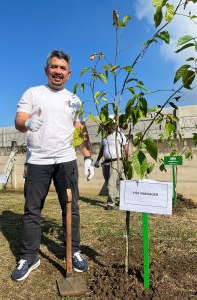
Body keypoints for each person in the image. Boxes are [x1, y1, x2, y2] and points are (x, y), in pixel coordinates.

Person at [11, 50, 94, 281]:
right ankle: (29, 256)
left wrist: (87, 157)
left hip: (66, 161)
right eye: (54, 67)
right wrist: (27, 122)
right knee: (32, 209)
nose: (58, 71)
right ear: (46, 70)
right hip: (37, 161)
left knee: (71, 209)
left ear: (69, 74)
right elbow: (18, 121)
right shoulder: (33, 93)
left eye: (62, 68)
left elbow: (80, 130)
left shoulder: (74, 99)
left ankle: (73, 251)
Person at [94, 118, 129, 210]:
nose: (112, 126)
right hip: (105, 163)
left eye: (114, 124)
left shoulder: (119, 135)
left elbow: (125, 145)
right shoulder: (104, 136)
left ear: (116, 125)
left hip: (116, 161)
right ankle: (117, 199)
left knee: (111, 183)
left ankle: (110, 204)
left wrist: (128, 156)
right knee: (110, 182)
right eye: (110, 124)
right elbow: (102, 149)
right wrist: (97, 160)